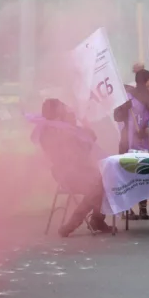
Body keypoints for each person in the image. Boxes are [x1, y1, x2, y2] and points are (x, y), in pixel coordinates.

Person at [35, 98, 113, 237]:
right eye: (62, 108)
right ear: (57, 112)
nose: (67, 110)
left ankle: (97, 219)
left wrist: (83, 128)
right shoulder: (55, 131)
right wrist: (84, 130)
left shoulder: (62, 128)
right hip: (68, 173)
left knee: (107, 179)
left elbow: (87, 143)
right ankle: (74, 224)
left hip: (79, 170)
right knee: (99, 185)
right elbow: (79, 153)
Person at [113, 68, 149, 220]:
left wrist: (146, 129)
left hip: (143, 142)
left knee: (143, 173)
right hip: (127, 142)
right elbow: (117, 116)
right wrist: (124, 108)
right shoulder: (126, 97)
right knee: (127, 174)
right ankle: (127, 208)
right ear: (143, 81)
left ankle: (143, 208)